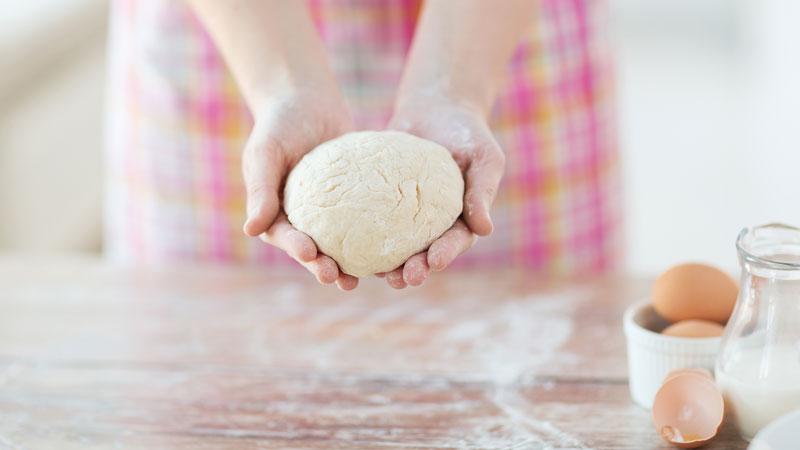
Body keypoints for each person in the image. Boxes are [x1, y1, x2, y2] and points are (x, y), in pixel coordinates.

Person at [105, 0, 621, 291]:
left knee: (536, 339)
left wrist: (455, 87)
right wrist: (284, 87)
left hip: (491, 34)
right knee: (210, 368)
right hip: (233, 38)